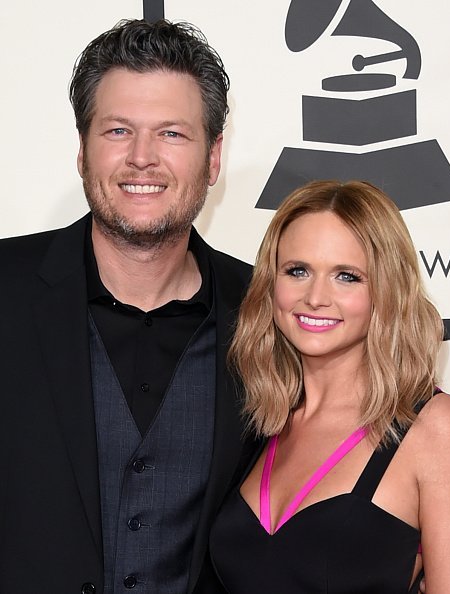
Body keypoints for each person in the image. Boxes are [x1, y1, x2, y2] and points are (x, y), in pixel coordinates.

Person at [0, 18, 252, 594]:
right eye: (117, 131)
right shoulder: (6, 289)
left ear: (212, 159)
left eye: (171, 134)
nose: (142, 158)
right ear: (82, 152)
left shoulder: (266, 311)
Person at [210, 180, 450, 593]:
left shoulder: (434, 428)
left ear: (386, 290)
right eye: (298, 271)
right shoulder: (261, 421)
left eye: (347, 276)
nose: (316, 297)